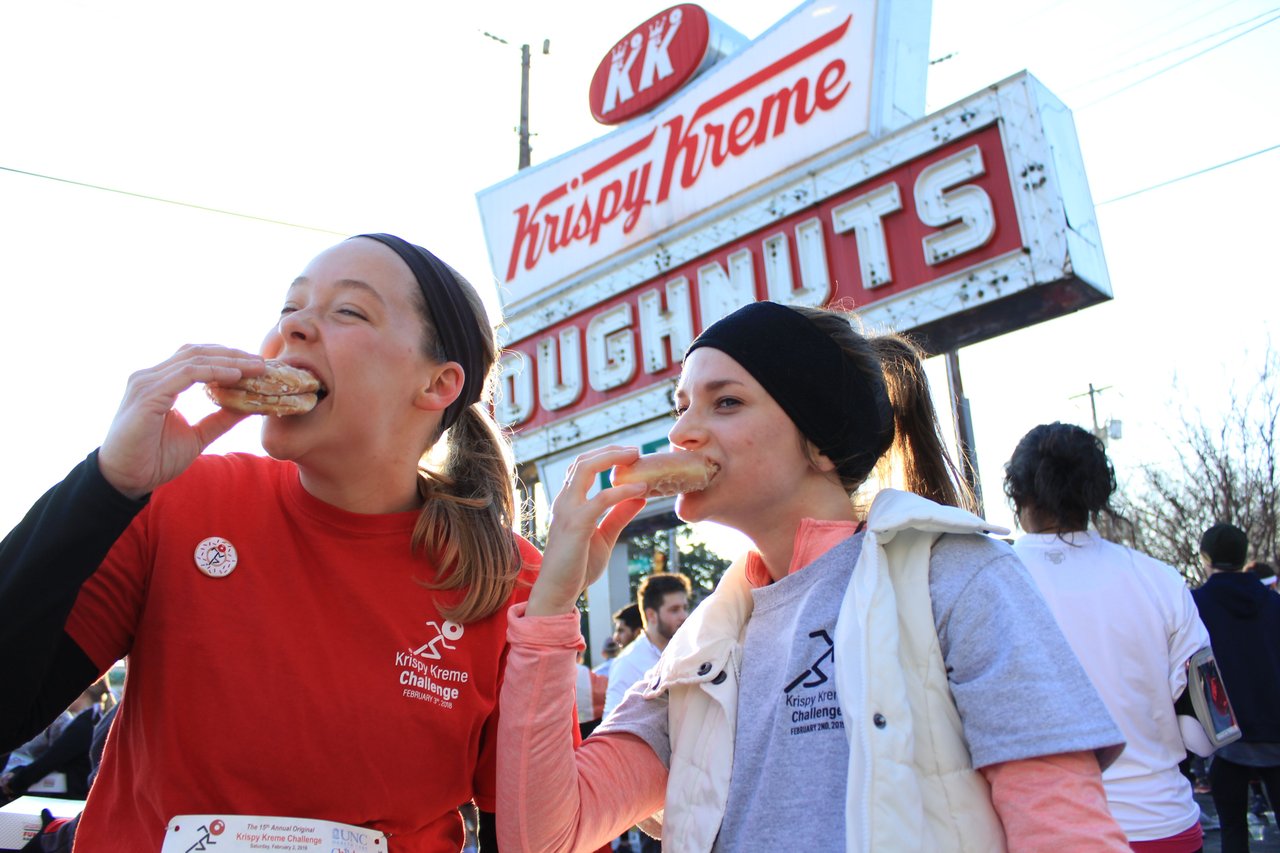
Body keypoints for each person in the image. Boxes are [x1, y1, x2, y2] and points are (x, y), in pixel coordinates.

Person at [496, 300, 1130, 852]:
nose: (682, 432)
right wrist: (555, 594)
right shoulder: (701, 648)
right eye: (682, 404)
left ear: (821, 445)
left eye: (725, 403)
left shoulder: (954, 578)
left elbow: (1064, 830)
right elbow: (544, 835)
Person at [0, 233, 539, 851]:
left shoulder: (511, 581)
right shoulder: (180, 501)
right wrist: (105, 486)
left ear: (438, 384)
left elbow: (531, 832)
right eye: (289, 311)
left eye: (348, 311)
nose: (295, 329)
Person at [1004, 422, 1214, 852]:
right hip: (1161, 823)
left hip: (1046, 830)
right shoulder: (1160, 581)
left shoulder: (991, 581)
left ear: (1018, 493)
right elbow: (1205, 735)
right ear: (1097, 493)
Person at [1193, 523, 1280, 853]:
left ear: (1206, 557)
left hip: (1223, 732)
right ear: (1244, 556)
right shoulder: (1274, 605)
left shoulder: (1195, 605)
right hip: (1275, 727)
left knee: (1232, 830)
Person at [603, 573, 691, 719]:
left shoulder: (690, 650)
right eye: (674, 610)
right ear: (651, 615)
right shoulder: (627, 663)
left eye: (684, 608)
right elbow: (612, 723)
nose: (683, 616)